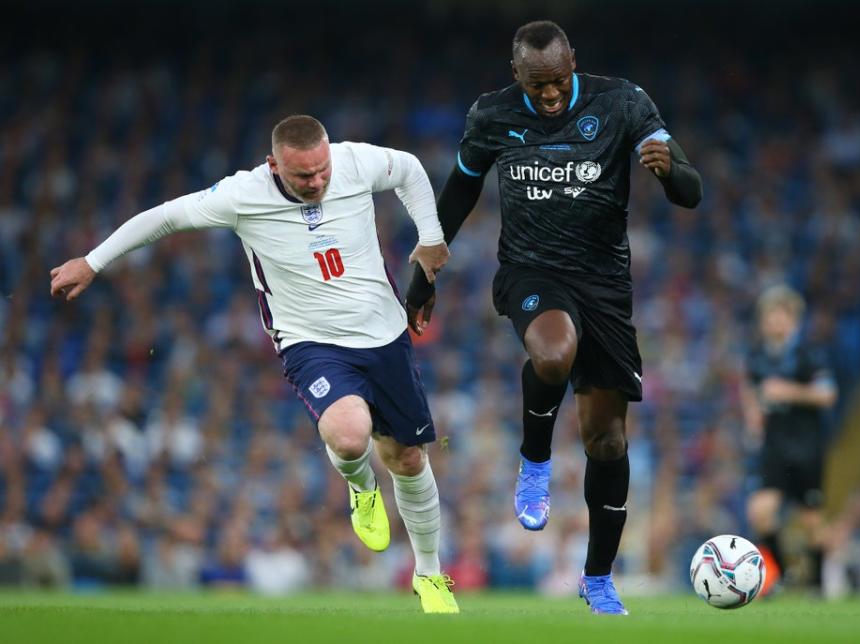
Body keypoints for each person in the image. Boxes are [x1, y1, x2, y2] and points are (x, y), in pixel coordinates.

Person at [50, 115, 459, 613]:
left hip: (384, 334)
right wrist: (92, 262)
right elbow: (164, 217)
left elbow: (411, 170)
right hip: (311, 342)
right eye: (302, 176)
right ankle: (362, 488)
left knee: (410, 458)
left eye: (321, 171)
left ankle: (429, 574)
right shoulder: (242, 195)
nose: (317, 183)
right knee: (350, 435)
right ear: (274, 165)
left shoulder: (355, 162)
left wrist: (431, 237)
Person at [405, 21, 702, 614]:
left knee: (607, 441)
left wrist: (669, 170)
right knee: (552, 351)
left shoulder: (622, 103)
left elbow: (690, 192)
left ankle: (597, 579)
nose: (547, 96)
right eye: (535, 84)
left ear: (574, 65)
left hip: (606, 286)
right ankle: (534, 461)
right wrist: (423, 275)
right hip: (531, 273)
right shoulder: (491, 115)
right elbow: (458, 194)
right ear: (515, 74)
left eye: (557, 82)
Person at [741, 285, 837, 595]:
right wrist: (753, 415)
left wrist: (789, 392)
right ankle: (780, 573)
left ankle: (819, 584)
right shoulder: (757, 357)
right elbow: (752, 392)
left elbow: (827, 394)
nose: (774, 322)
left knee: (811, 520)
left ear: (794, 320)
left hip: (807, 447)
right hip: (775, 446)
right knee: (760, 511)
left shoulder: (810, 354)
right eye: (769, 316)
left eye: (780, 316)